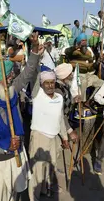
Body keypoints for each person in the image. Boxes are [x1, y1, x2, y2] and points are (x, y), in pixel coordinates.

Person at [0, 33, 43, 201]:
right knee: (0, 196)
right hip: (0, 160)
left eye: (11, 76)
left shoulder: (11, 91)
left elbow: (27, 73)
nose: (12, 78)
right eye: (8, 77)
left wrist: (33, 49)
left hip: (18, 153)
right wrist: (3, 146)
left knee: (15, 194)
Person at [28, 71, 70, 199]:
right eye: (47, 83)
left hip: (53, 138)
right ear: (41, 84)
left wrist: (65, 137)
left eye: (52, 83)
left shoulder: (59, 97)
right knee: (37, 170)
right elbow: (33, 75)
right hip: (39, 137)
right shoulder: (37, 95)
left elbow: (60, 119)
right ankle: (33, 197)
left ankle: (44, 190)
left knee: (51, 166)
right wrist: (37, 56)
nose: (50, 86)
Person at [64, 33, 104, 114]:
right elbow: (66, 52)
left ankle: (89, 101)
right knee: (83, 82)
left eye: (85, 41)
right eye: (82, 41)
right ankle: (80, 105)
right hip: (76, 75)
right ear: (79, 42)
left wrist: (97, 63)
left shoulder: (88, 52)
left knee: (102, 83)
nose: (84, 43)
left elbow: (90, 67)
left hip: (87, 74)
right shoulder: (73, 51)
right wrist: (76, 47)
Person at [54, 63, 79, 143]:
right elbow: (59, 114)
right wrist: (70, 131)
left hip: (63, 121)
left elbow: (66, 100)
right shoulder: (58, 91)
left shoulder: (65, 85)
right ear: (65, 76)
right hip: (58, 125)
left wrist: (74, 99)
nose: (72, 75)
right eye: (70, 73)